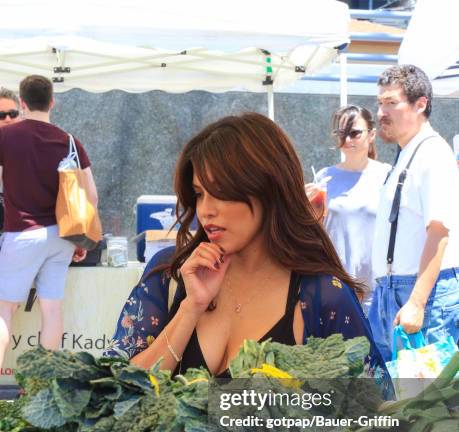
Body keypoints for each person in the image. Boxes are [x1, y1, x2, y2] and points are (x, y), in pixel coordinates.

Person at [105, 112, 385, 378]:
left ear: (269, 190)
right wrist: (190, 308)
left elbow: (372, 413)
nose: (206, 210)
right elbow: (118, 390)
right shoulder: (171, 272)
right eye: (200, 194)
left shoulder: (322, 295)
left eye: (222, 193)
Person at [0, 75, 98, 369]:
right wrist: (82, 241)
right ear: (52, 101)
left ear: (23, 103)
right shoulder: (70, 141)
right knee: (52, 309)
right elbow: (91, 196)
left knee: (4, 311)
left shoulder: (7, 137)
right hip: (62, 237)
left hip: (23, 234)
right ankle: (41, 388)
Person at [369, 64, 459, 362]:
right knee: (396, 402)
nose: (382, 111)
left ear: (421, 105)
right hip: (390, 293)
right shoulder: (407, 152)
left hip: (422, 295)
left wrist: (417, 302)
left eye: (391, 103)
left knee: (426, 403)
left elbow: (439, 233)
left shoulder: (433, 154)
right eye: (380, 102)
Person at [305, 105, 390, 313]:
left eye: (354, 133)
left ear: (371, 135)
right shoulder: (324, 177)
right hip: (336, 288)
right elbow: (313, 230)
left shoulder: (387, 175)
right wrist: (304, 207)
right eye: (342, 133)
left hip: (377, 290)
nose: (348, 140)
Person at [0, 88, 22, 232]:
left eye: (13, 114)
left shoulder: (31, 144)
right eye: (1, 115)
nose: (8, 119)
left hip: (22, 230)